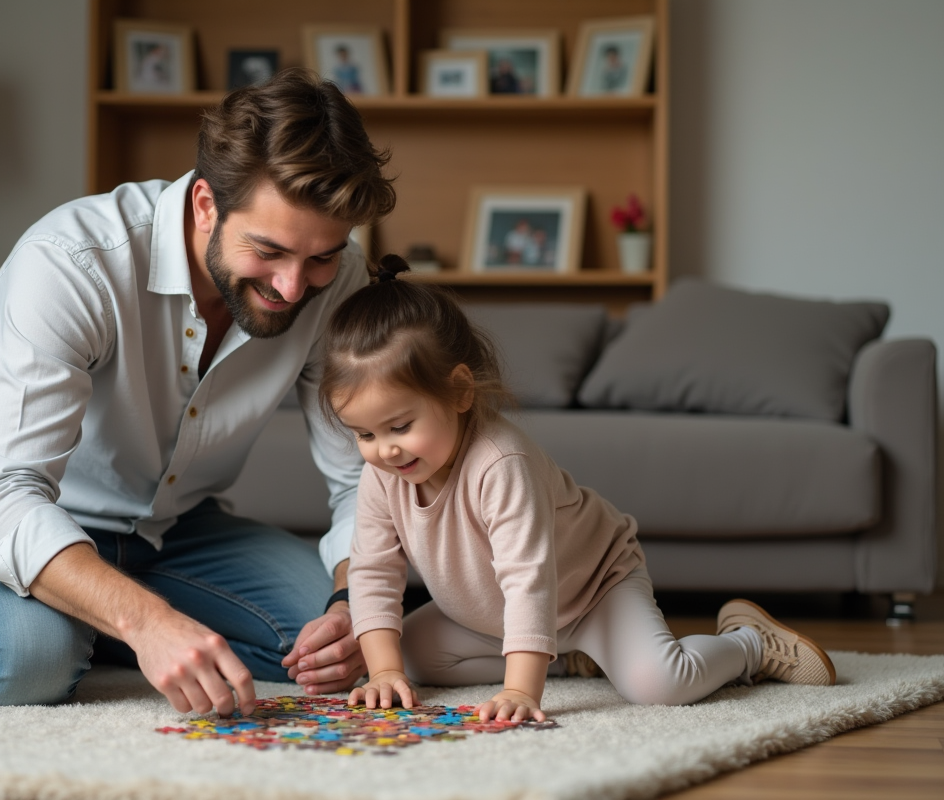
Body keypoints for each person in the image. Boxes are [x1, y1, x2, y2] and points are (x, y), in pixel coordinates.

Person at [0, 68, 397, 717]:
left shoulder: (341, 277)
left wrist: (354, 604)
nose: (294, 288)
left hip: (173, 528)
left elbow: (362, 478)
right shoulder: (71, 261)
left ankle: (94, 620)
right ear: (206, 204)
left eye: (321, 257)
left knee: (336, 649)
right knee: (28, 664)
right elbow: (8, 495)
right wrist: (149, 624)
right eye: (267, 250)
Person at [320, 256, 836, 723]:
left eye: (400, 426)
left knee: (662, 683)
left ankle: (749, 644)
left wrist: (523, 690)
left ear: (458, 391)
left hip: (592, 591)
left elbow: (528, 579)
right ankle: (570, 656)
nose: (384, 450)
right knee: (400, 655)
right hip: (487, 618)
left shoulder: (500, 462)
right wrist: (385, 671)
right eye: (364, 434)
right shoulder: (382, 476)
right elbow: (373, 570)